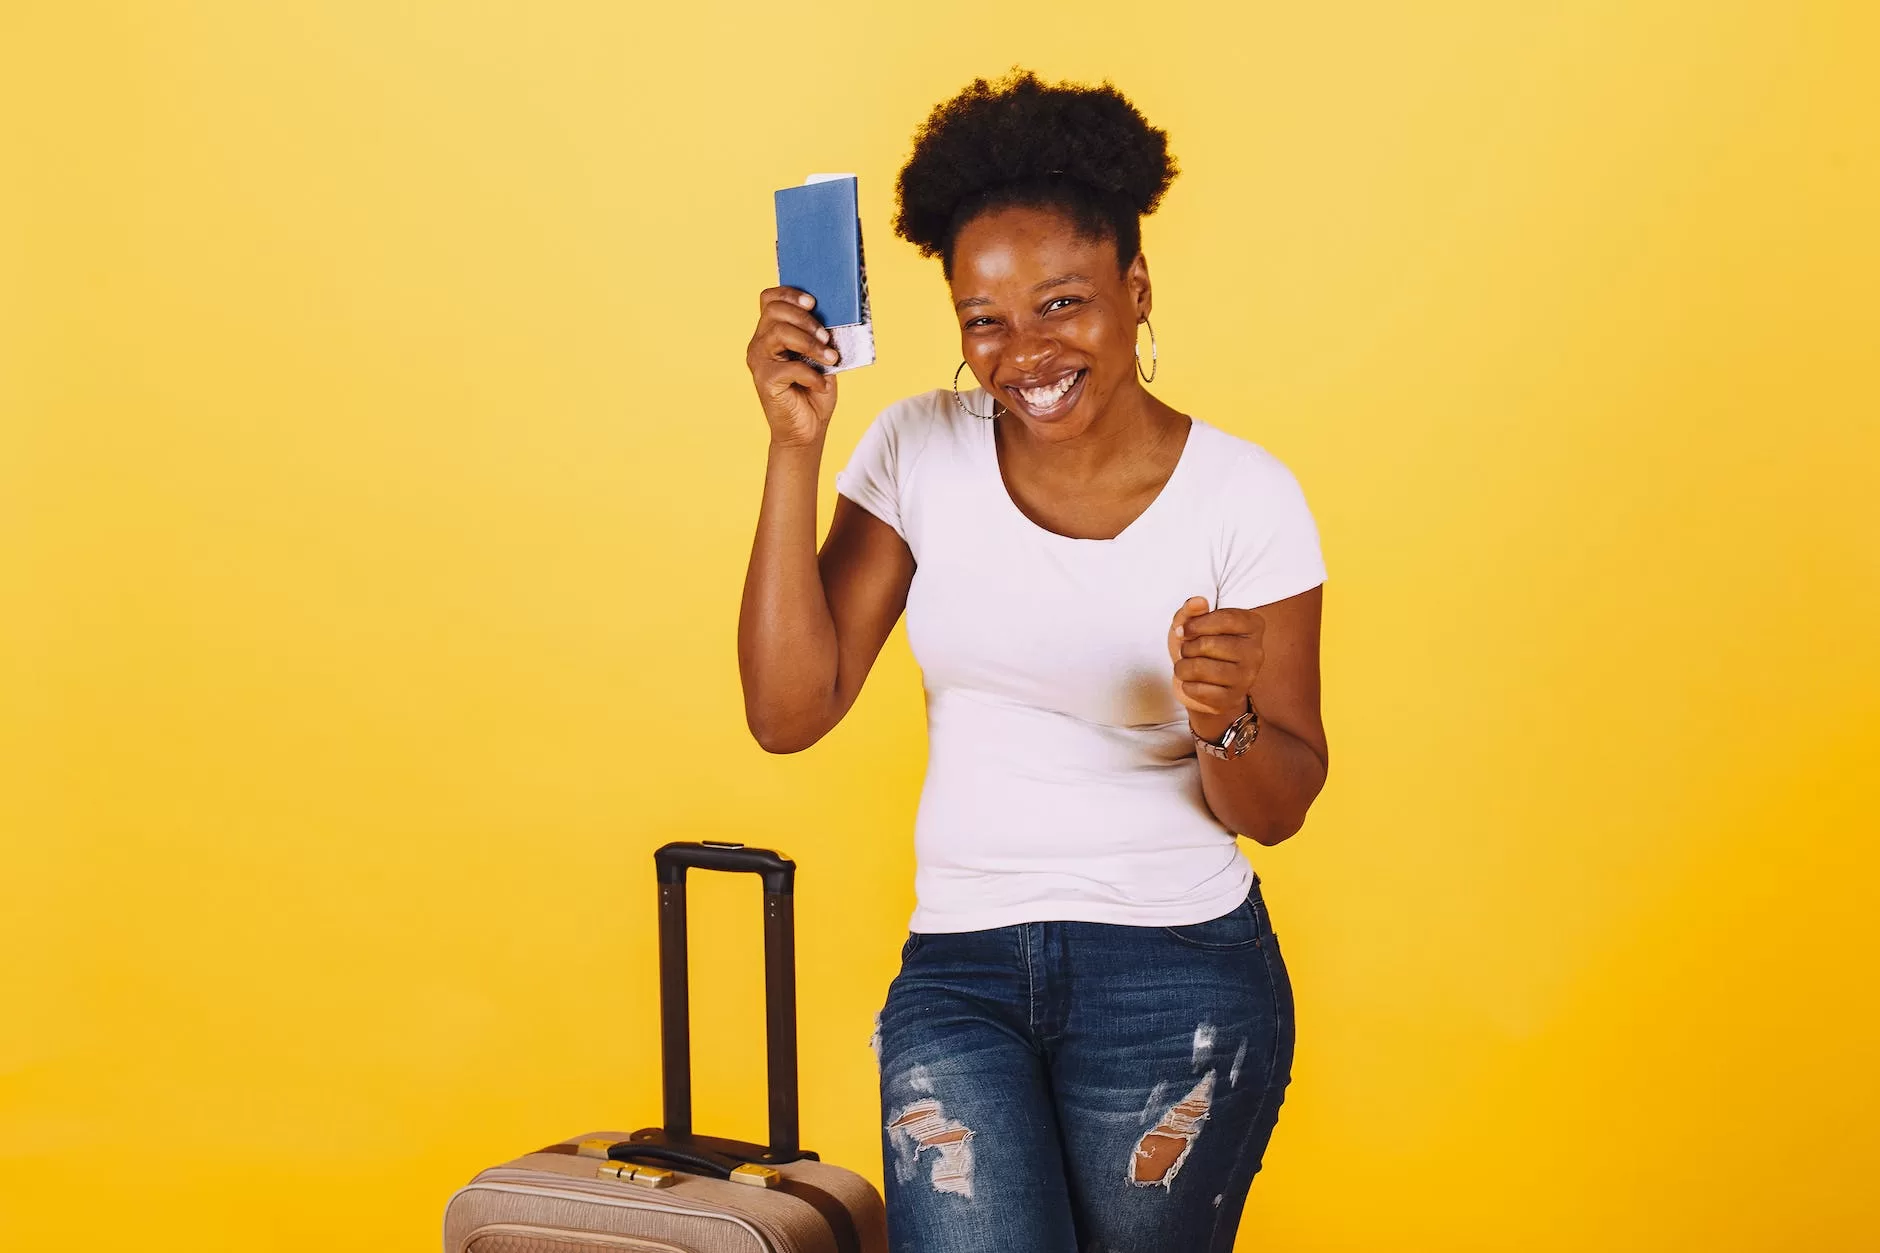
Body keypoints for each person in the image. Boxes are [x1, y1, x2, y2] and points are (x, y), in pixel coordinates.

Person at [738, 69, 1329, 1253]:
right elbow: (787, 710)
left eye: (1062, 303)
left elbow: (1277, 807)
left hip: (1178, 974)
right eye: (984, 320)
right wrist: (794, 447)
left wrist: (1222, 717)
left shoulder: (1244, 496)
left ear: (1134, 287)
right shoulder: (916, 448)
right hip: (960, 971)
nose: (1025, 352)